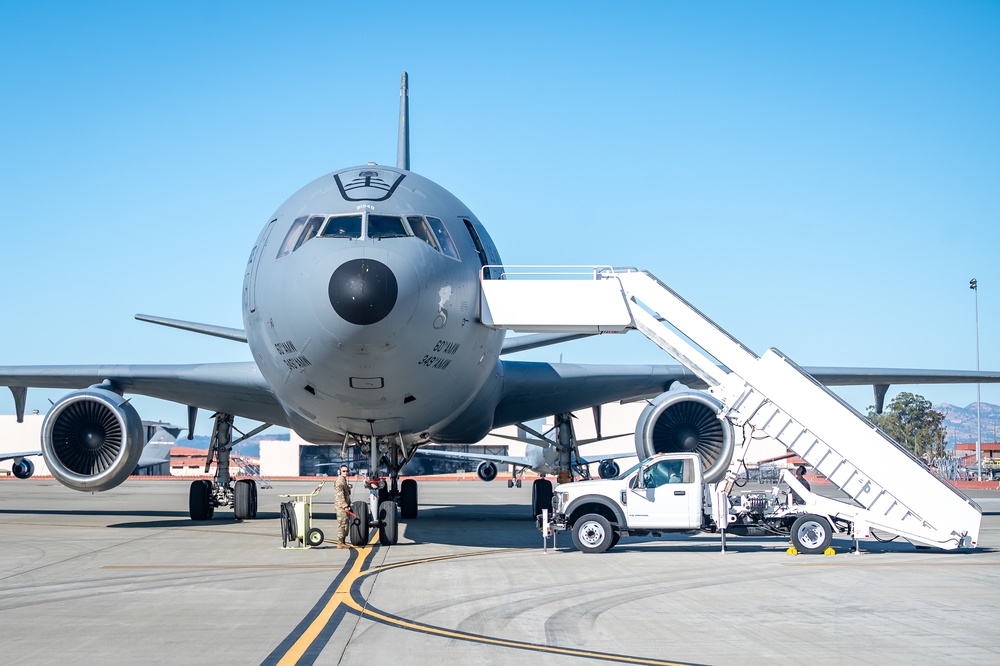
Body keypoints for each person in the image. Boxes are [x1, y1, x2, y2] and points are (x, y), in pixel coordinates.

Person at [334, 465, 353, 548]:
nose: (346, 472)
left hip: (344, 505)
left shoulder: (343, 480)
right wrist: (345, 506)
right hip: (341, 506)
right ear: (340, 472)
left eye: (347, 471)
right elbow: (340, 495)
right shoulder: (339, 481)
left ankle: (343, 542)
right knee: (342, 524)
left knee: (345, 524)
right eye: (344, 471)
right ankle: (340, 543)